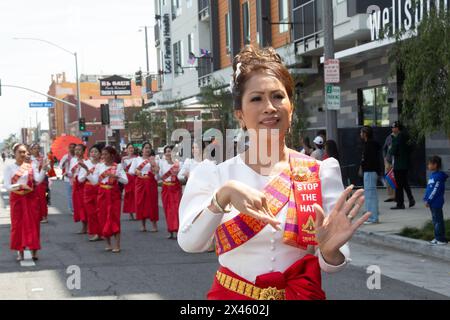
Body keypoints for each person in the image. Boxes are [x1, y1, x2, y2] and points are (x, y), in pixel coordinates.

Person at [178, 45, 370, 300]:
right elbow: (190, 243)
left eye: (278, 97)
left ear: (291, 109)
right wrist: (221, 197)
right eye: (256, 98)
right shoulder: (215, 175)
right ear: (240, 115)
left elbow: (333, 260)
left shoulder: (319, 172)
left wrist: (329, 250)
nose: (269, 107)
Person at [3, 143, 49, 261]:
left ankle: (34, 251)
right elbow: (7, 186)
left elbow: (38, 180)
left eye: (24, 152)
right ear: (15, 153)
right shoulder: (9, 167)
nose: (23, 154)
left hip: (30, 198)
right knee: (18, 225)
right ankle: (20, 251)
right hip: (17, 198)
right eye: (20, 152)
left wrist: (43, 169)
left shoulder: (31, 166)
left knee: (33, 224)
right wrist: (20, 185)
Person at [91, 146, 128, 252]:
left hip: (113, 194)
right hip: (102, 194)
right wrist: (86, 171)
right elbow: (94, 181)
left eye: (105, 154)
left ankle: (117, 244)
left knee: (114, 218)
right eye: (102, 154)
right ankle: (108, 243)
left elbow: (126, 181)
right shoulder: (99, 166)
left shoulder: (118, 166)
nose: (103, 156)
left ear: (112, 155)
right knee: (102, 217)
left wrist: (116, 177)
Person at [128, 142, 160, 232]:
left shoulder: (154, 159)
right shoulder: (136, 160)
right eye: (146, 148)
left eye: (149, 148)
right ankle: (143, 224)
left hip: (151, 182)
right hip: (140, 182)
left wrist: (153, 163)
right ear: (142, 150)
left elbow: (157, 173)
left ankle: (154, 224)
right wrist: (137, 172)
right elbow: (131, 171)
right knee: (140, 202)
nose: (147, 149)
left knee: (152, 203)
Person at [78, 145, 102, 242]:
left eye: (96, 152)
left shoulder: (102, 165)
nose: (94, 154)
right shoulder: (86, 163)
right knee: (91, 213)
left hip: (100, 189)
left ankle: (101, 232)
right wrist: (86, 172)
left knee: (100, 212)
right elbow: (80, 179)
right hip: (88, 189)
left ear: (100, 154)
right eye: (92, 152)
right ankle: (96, 232)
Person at [389, 121, 415, 209]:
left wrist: (392, 142)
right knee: (404, 182)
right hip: (405, 163)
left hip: (399, 165)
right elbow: (411, 148)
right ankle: (411, 198)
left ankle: (400, 203)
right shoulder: (406, 136)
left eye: (393, 127)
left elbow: (392, 151)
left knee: (399, 185)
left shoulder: (397, 137)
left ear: (397, 128)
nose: (392, 129)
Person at [423, 156, 448, 245]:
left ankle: (440, 239)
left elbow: (435, 190)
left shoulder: (438, 177)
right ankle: (438, 237)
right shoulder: (433, 175)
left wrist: (428, 200)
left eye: (429, 164)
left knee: (438, 221)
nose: (428, 165)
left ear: (435, 165)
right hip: (432, 202)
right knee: (436, 220)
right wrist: (425, 198)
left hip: (436, 202)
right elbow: (429, 189)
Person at [360, 126, 382, 224]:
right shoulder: (370, 144)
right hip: (371, 171)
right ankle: (372, 215)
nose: (360, 134)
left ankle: (372, 217)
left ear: (365, 134)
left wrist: (363, 166)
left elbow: (368, 159)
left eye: (361, 132)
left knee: (370, 195)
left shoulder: (369, 145)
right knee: (371, 194)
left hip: (369, 171)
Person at [159, 145, 182, 240]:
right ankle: (170, 230)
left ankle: (177, 230)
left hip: (175, 188)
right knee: (168, 209)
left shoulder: (179, 164)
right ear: (164, 154)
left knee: (176, 209)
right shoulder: (162, 164)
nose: (168, 153)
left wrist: (178, 175)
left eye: (170, 151)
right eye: (167, 151)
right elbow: (160, 176)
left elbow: (182, 178)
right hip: (166, 188)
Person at [70, 144, 88, 234]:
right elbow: (71, 172)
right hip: (75, 185)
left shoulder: (87, 161)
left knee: (85, 206)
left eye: (79, 149)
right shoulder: (73, 160)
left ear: (84, 151)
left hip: (84, 185)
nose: (77, 151)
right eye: (76, 149)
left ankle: (88, 226)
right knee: (78, 205)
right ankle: (83, 225)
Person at [30, 143, 49, 224]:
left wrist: (45, 167)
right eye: (34, 148)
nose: (36, 150)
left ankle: (44, 216)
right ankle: (36, 215)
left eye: (38, 148)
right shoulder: (28, 158)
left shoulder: (43, 158)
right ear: (31, 150)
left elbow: (48, 169)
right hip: (30, 181)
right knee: (33, 200)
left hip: (41, 182)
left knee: (42, 199)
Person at [121, 143, 137, 220]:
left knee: (136, 195)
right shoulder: (124, 159)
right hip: (128, 178)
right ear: (126, 150)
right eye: (129, 148)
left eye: (132, 148)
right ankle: (130, 213)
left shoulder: (137, 158)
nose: (131, 149)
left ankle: (137, 211)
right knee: (129, 195)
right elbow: (122, 168)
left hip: (136, 178)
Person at [60, 143, 76, 214]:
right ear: (68, 148)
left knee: (75, 194)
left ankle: (77, 207)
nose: (72, 149)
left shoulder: (77, 157)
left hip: (76, 178)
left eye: (73, 147)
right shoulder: (65, 157)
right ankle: (72, 209)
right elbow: (61, 166)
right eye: (70, 147)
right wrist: (64, 162)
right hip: (68, 178)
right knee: (70, 194)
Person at [382, 132, 395, 202]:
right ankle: (391, 196)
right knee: (388, 178)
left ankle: (397, 195)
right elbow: (384, 148)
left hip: (396, 161)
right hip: (388, 161)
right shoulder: (389, 137)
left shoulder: (400, 138)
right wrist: (384, 158)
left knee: (396, 179)